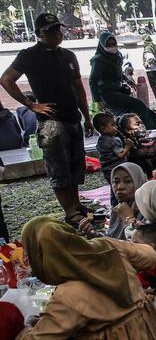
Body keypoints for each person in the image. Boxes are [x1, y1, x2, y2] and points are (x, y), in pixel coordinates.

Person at [0, 217, 156, 340]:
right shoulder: (108, 246)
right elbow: (151, 256)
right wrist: (111, 265)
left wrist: (25, 329)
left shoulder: (69, 295)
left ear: (41, 256)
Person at [1, 14, 97, 228]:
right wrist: (31, 105)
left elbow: (78, 87)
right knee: (58, 164)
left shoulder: (68, 55)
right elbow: (6, 79)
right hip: (51, 119)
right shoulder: (29, 55)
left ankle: (76, 205)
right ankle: (69, 210)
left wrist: (87, 116)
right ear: (40, 33)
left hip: (72, 115)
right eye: (51, 30)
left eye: (58, 29)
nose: (57, 34)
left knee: (75, 163)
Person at [88, 32, 156, 130]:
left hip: (117, 90)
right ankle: (151, 126)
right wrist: (98, 100)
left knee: (130, 111)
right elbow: (92, 80)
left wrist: (128, 80)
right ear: (102, 45)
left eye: (114, 44)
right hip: (107, 94)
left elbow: (119, 73)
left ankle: (131, 129)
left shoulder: (117, 56)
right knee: (137, 104)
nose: (112, 47)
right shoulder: (99, 60)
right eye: (108, 45)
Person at [104, 162, 147, 240]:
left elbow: (142, 247)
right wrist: (93, 235)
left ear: (139, 182)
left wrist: (129, 219)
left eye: (127, 181)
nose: (120, 187)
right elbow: (112, 239)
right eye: (116, 182)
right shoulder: (119, 208)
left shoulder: (147, 212)